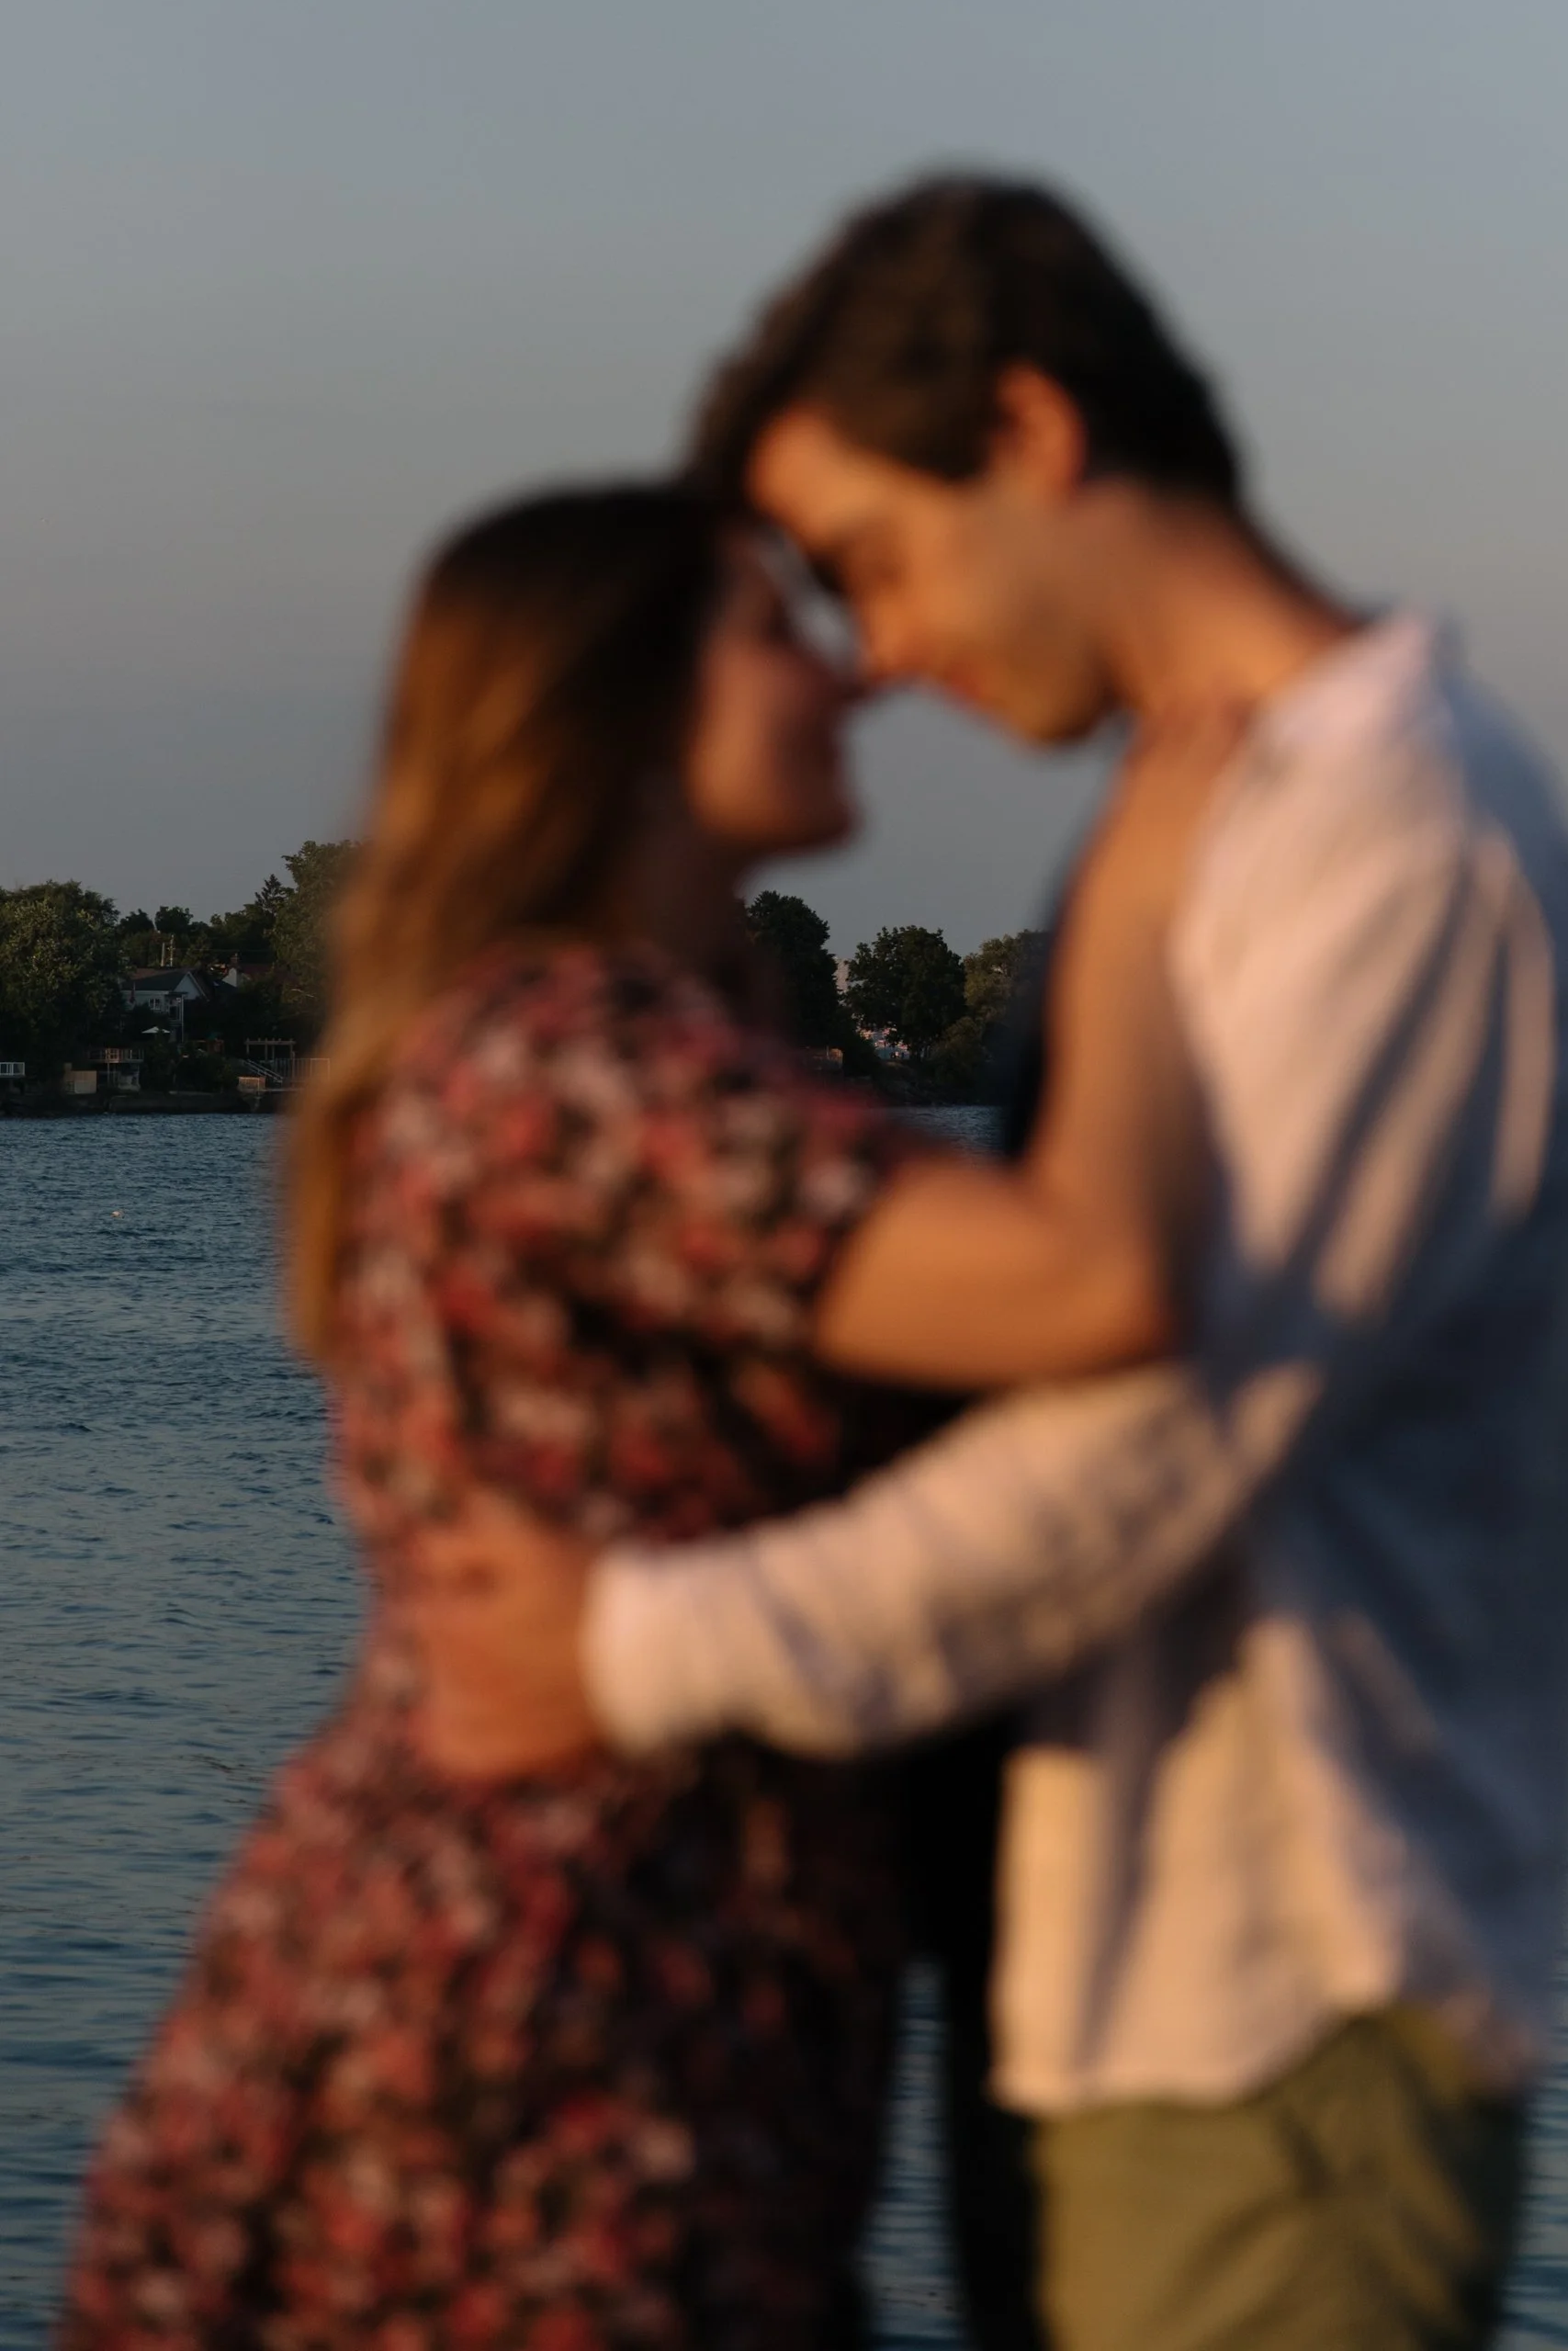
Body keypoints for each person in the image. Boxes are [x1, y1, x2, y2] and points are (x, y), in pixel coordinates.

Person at [414, 180, 1568, 2351]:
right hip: (1093, 1997)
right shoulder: (1199, 825)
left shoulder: (1390, 836)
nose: (875, 649)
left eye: (875, 556)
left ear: (1038, 438)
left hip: (1273, 2013)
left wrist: (638, 1654)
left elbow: (1160, 1438)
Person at [59, 477, 1220, 2351]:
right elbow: (1097, 1284)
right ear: (624, 706)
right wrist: (1168, 865)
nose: (848, 679)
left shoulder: (594, 1049)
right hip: (546, 2019)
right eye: (776, 631)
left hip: (604, 1979)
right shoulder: (571, 1069)